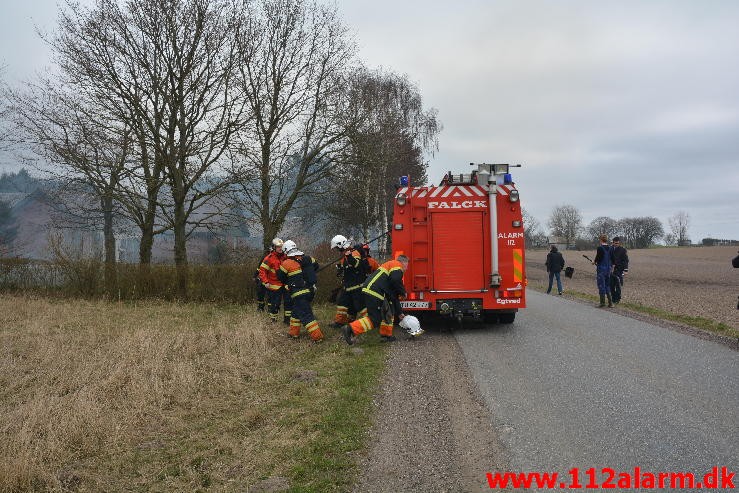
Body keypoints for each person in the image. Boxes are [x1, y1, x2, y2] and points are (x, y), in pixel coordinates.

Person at [342, 255, 409, 344]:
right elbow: (395, 280)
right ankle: (350, 329)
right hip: (374, 290)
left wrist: (400, 312)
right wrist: (403, 292)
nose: (406, 268)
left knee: (388, 311)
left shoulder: (391, 269)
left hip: (374, 290)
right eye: (407, 265)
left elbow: (394, 297)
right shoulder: (396, 264)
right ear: (403, 262)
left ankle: (386, 335)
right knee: (375, 319)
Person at [278, 241, 324, 342]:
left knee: (306, 315)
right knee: (296, 312)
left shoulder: (286, 263)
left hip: (298, 293)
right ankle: (293, 333)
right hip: (310, 291)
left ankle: (318, 337)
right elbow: (316, 266)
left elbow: (280, 277)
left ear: (286, 251)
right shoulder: (308, 258)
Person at [330, 235, 368, 327]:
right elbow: (347, 268)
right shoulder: (344, 255)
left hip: (357, 287)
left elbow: (357, 265)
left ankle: (371, 321)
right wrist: (340, 270)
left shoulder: (354, 253)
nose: (336, 250)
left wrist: (350, 256)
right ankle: (339, 322)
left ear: (340, 245)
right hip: (347, 286)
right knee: (342, 304)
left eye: (336, 248)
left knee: (361, 306)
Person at [258, 237, 292, 324]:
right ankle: (273, 320)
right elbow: (262, 271)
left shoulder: (286, 256)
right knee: (275, 304)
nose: (280, 248)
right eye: (278, 247)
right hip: (274, 286)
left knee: (288, 302)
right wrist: (265, 282)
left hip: (286, 284)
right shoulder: (269, 258)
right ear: (274, 247)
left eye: (281, 246)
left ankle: (287, 320)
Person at [592, 234, 613, 307]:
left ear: (600, 240)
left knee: (601, 285)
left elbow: (598, 257)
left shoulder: (600, 248)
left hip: (601, 269)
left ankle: (602, 303)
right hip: (608, 270)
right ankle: (610, 303)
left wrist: (594, 262)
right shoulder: (610, 248)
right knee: (607, 285)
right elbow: (612, 259)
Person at [610, 236, 629, 304]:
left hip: (619, 269)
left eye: (617, 243)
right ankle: (613, 298)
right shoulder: (610, 249)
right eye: (615, 243)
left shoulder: (623, 250)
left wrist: (626, 270)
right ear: (613, 242)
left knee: (618, 285)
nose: (616, 244)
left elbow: (626, 260)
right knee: (611, 285)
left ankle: (618, 299)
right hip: (611, 270)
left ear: (619, 243)